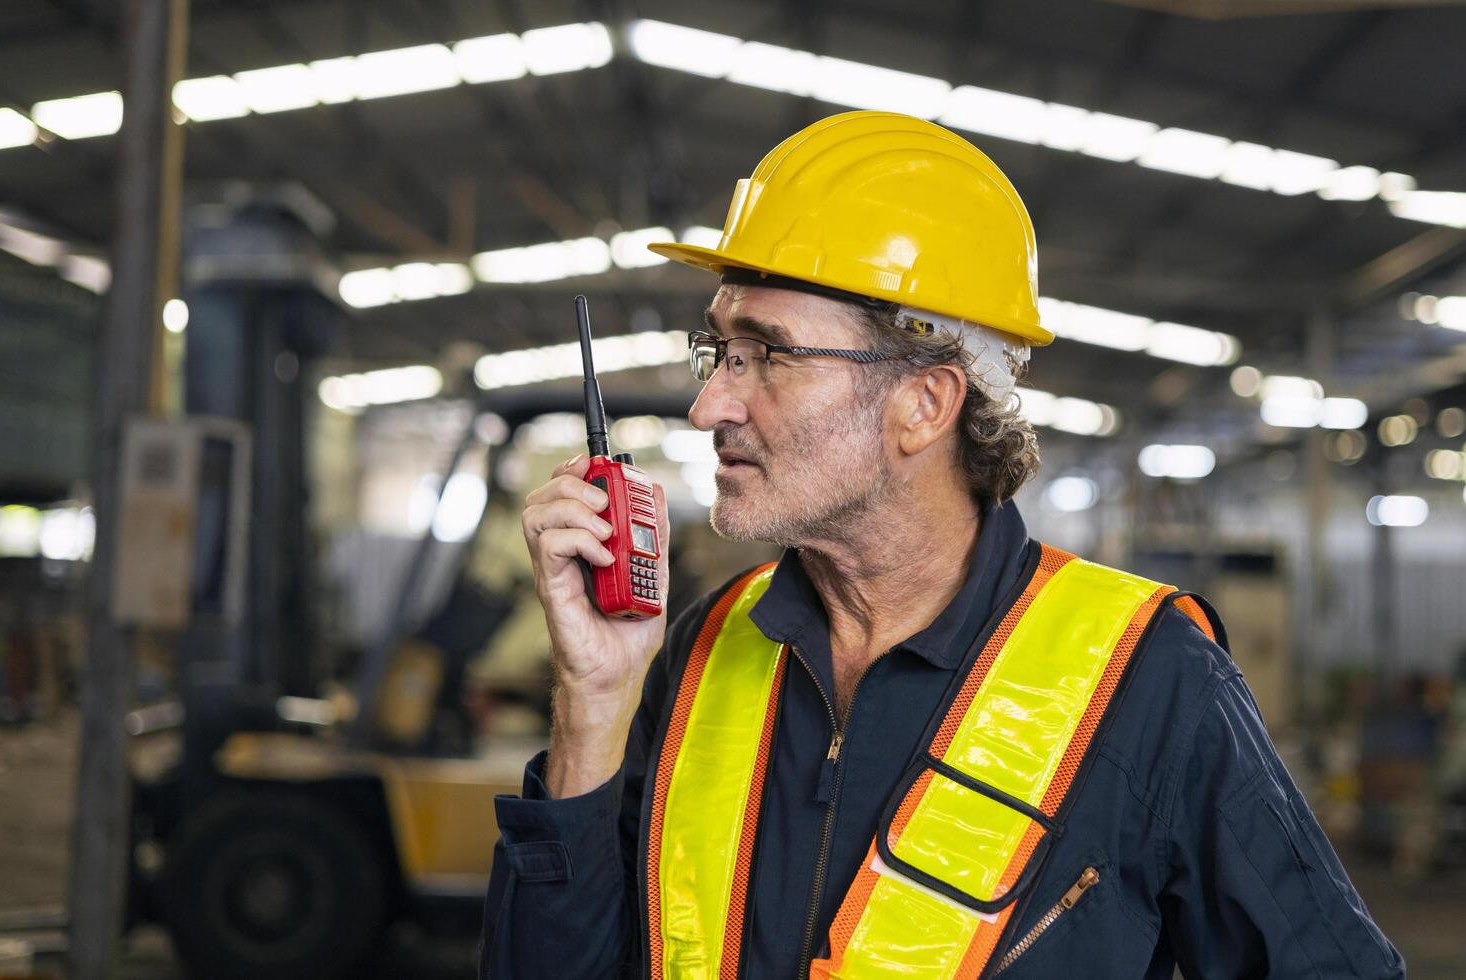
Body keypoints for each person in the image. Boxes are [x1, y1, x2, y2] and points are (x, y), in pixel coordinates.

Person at [479, 111, 1404, 978]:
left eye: (767, 354)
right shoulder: (702, 648)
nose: (711, 405)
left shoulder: (1150, 679)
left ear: (924, 403)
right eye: (718, 350)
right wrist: (593, 699)